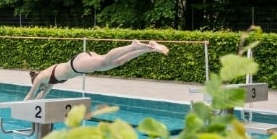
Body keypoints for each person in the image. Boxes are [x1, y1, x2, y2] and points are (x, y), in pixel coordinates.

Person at [25, 40, 169, 100]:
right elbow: (40, 98)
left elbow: (30, 97)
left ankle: (133, 46)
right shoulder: (49, 82)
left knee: (105, 60)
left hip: (76, 65)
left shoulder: (42, 77)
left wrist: (16, 108)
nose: (40, 88)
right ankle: (149, 48)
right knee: (118, 62)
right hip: (80, 64)